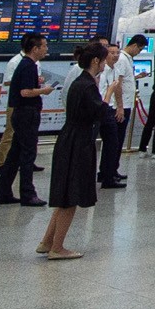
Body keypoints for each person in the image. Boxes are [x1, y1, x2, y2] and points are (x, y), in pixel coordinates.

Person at [36, 40, 107, 260]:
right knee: (71, 194)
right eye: (104, 59)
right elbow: (100, 112)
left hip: (69, 138)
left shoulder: (79, 82)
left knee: (65, 191)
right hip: (79, 142)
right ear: (96, 61)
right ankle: (58, 248)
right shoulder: (87, 85)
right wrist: (110, 92)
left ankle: (47, 241)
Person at [0, 36, 50, 206]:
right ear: (35, 48)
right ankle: (28, 193)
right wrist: (43, 91)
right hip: (27, 113)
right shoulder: (28, 65)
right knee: (27, 154)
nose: (46, 49)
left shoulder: (25, 64)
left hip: (21, 113)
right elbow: (25, 92)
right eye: (44, 46)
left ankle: (3, 192)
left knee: (14, 155)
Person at [97, 34, 140, 190]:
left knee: (113, 142)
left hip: (112, 108)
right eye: (112, 53)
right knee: (112, 142)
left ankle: (108, 173)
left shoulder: (113, 68)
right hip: (106, 109)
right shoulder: (103, 70)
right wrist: (119, 107)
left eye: (117, 53)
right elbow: (113, 89)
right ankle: (107, 174)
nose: (115, 56)